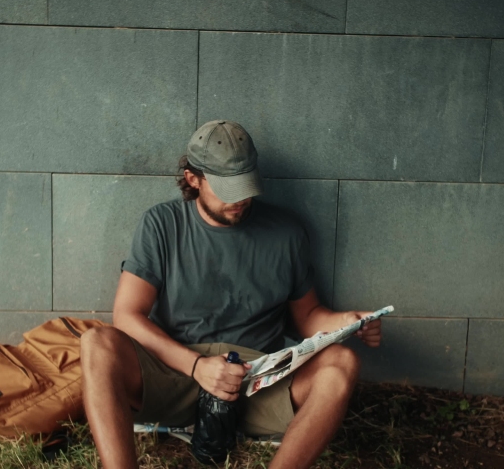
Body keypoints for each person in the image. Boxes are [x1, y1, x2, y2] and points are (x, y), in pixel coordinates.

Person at [80, 120, 382, 469]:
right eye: (227, 189)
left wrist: (348, 321)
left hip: (257, 381)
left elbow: (308, 316)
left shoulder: (287, 232)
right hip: (175, 372)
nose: (240, 200)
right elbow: (127, 316)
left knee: (343, 362)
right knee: (96, 344)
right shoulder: (161, 224)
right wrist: (196, 367)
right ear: (193, 179)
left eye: (246, 187)